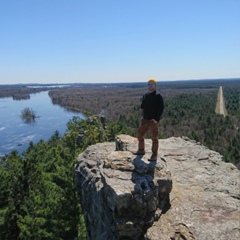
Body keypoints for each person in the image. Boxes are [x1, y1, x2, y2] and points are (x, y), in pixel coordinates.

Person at [134, 78, 164, 161]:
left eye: (152, 84)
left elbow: (160, 108)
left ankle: (154, 155)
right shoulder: (145, 95)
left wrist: (156, 119)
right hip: (145, 120)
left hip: (152, 121)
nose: (150, 86)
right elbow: (143, 107)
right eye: (149, 84)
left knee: (154, 138)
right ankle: (141, 150)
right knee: (139, 135)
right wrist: (142, 117)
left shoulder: (158, 96)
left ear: (155, 86)